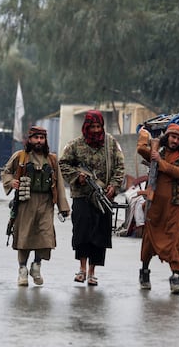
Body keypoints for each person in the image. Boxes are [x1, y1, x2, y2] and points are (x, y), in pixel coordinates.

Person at [59, 110, 125, 286]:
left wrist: (114, 186)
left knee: (100, 235)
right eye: (92, 127)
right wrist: (77, 177)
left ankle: (92, 271)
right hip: (82, 196)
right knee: (82, 234)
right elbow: (63, 164)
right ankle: (81, 269)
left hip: (104, 197)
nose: (96, 130)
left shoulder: (110, 144)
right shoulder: (75, 145)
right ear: (86, 127)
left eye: (99, 126)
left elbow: (120, 167)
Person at [1, 126, 70, 286]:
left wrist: (63, 207)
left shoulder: (52, 159)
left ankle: (36, 266)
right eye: (36, 138)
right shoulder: (21, 157)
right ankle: (22, 270)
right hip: (25, 202)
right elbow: (6, 172)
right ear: (29, 139)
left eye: (42, 138)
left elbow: (59, 183)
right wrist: (12, 182)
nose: (39, 141)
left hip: (46, 203)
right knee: (24, 237)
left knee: (45, 237)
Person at [136, 123, 179, 294]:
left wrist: (160, 162)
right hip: (155, 206)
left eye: (178, 138)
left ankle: (175, 277)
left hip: (175, 206)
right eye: (172, 137)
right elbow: (141, 149)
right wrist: (145, 135)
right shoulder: (156, 151)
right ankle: (144, 272)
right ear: (167, 137)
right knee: (149, 239)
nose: (174, 140)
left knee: (176, 240)